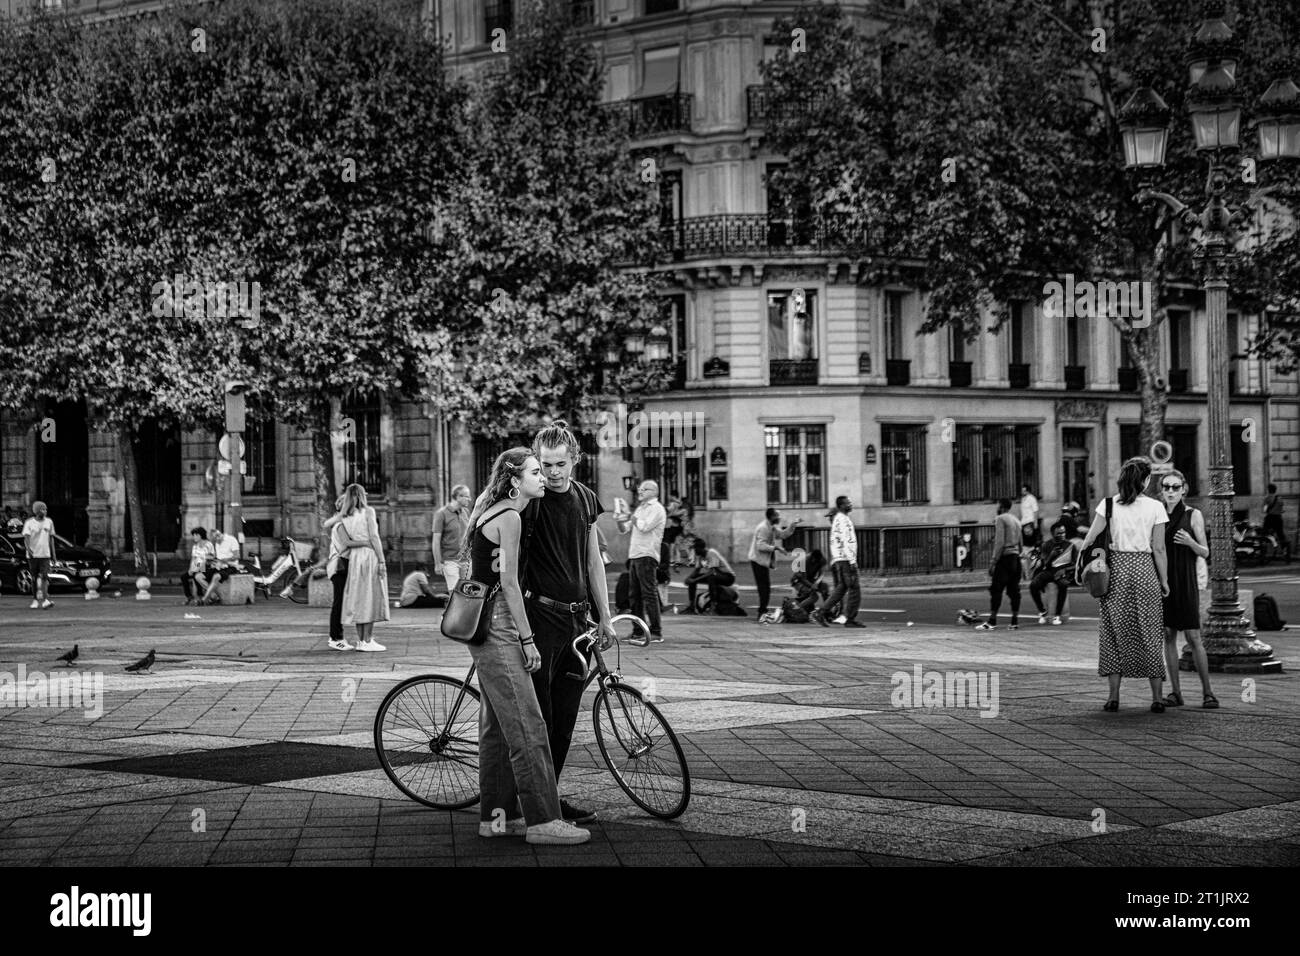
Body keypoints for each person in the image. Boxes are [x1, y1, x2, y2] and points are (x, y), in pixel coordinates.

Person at [459, 448, 589, 845]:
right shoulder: (511, 517)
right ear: (516, 480)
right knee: (529, 726)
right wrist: (529, 639)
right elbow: (511, 585)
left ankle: (498, 819)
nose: (543, 478)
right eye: (535, 471)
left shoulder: (490, 510)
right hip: (499, 626)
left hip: (483, 626)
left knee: (497, 729)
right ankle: (543, 821)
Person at [520, 420, 615, 827]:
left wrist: (605, 618)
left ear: (575, 460)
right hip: (540, 618)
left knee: (564, 724)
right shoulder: (530, 500)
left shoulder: (585, 498)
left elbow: (593, 559)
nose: (553, 473)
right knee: (541, 722)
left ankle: (549, 800)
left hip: (578, 621)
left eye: (560, 464)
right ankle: (536, 808)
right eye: (545, 465)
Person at [1080, 456, 1170, 713]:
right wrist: (1163, 580)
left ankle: (1113, 698)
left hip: (1116, 572)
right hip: (1144, 571)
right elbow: (1159, 548)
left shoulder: (1108, 505)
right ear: (1145, 480)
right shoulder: (1155, 507)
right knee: (1150, 632)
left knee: (1112, 632)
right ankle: (1156, 698)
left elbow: (1090, 539)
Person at [1159, 469, 1217, 709]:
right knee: (1168, 636)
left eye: (1175, 487)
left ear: (1184, 489)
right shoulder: (1157, 515)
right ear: (1161, 491)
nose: (1170, 491)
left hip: (1185, 580)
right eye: (1166, 487)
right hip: (1164, 581)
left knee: (1194, 637)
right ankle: (1176, 693)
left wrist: (1190, 542)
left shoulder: (1193, 515)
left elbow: (1205, 552)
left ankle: (1208, 693)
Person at [335, 483, 390, 651]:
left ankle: (361, 640)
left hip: (355, 558)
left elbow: (346, 542)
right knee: (372, 597)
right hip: (369, 556)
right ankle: (368, 640)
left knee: (360, 598)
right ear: (361, 495)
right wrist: (382, 560)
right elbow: (374, 537)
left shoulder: (344, 516)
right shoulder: (368, 512)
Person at [617, 479, 666, 646]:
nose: (640, 491)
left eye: (644, 489)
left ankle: (656, 631)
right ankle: (639, 630)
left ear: (654, 491)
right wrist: (619, 518)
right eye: (640, 489)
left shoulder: (657, 509)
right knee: (634, 595)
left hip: (647, 554)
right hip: (635, 554)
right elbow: (625, 529)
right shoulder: (640, 508)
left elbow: (645, 526)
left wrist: (631, 517)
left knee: (649, 593)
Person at [976, 498, 1022, 631]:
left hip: (1005, 558)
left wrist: (993, 561)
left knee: (996, 590)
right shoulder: (1016, 520)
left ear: (1001, 507)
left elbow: (999, 542)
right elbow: (1021, 544)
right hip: (1015, 558)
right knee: (1014, 591)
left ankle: (992, 620)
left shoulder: (1000, 519)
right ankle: (1014, 621)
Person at [818, 496, 862, 628]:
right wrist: (852, 561)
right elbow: (846, 540)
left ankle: (821, 612)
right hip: (846, 559)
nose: (851, 504)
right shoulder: (843, 520)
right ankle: (850, 619)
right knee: (855, 588)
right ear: (841, 506)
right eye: (848, 503)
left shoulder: (838, 519)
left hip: (840, 559)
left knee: (841, 588)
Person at [748, 508, 799, 618]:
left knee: (765, 587)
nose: (779, 517)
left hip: (762, 561)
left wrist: (793, 525)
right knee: (764, 587)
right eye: (777, 515)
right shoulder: (763, 528)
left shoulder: (772, 527)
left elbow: (782, 535)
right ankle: (762, 612)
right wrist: (775, 548)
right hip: (758, 561)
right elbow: (760, 546)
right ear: (771, 517)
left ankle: (762, 611)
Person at [1028, 522, 1076, 625]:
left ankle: (1057, 616)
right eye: (1059, 533)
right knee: (1033, 586)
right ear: (1053, 534)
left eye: (1063, 532)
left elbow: (1075, 564)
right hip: (1049, 572)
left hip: (1062, 572)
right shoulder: (1046, 545)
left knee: (1063, 585)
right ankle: (1042, 611)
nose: (1062, 535)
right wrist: (1051, 555)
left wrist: (1065, 570)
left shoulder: (1070, 545)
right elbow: (1045, 565)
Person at [432, 485, 472, 594]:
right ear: (458, 497)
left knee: (467, 593)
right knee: (455, 594)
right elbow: (436, 541)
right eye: (467, 497)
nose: (470, 499)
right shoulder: (441, 514)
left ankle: (462, 612)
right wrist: (437, 563)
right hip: (450, 560)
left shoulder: (466, 512)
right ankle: (454, 611)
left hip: (466, 560)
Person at [682, 537, 735, 612]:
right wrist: (689, 579)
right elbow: (697, 570)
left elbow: (712, 571)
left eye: (695, 548)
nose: (694, 550)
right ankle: (691, 606)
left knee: (711, 577)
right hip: (715, 575)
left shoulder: (711, 553)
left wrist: (694, 580)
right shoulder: (699, 556)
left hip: (728, 577)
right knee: (693, 579)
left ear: (700, 548)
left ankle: (713, 607)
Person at [22, 500, 56, 610]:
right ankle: (35, 600)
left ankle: (45, 600)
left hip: (45, 555)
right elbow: (26, 539)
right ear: (36, 511)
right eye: (42, 509)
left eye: (45, 509)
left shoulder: (49, 522)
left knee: (45, 577)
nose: (45, 511)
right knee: (34, 578)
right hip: (33, 556)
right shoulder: (29, 523)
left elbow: (51, 540)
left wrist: (54, 555)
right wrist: (29, 550)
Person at [200, 529, 247, 604]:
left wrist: (226, 560)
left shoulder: (231, 540)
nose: (215, 543)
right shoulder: (217, 542)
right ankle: (214, 596)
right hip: (219, 566)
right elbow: (218, 557)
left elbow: (237, 556)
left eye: (215, 541)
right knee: (199, 576)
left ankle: (204, 599)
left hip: (231, 566)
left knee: (216, 576)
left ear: (218, 536)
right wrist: (213, 561)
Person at [183, 527, 214, 606]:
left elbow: (211, 557)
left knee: (195, 574)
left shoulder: (208, 544)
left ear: (201, 535)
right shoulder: (195, 546)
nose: (194, 537)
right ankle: (189, 597)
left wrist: (196, 568)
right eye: (193, 535)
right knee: (184, 577)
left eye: (196, 535)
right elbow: (193, 559)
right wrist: (191, 569)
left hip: (207, 565)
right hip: (197, 565)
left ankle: (200, 596)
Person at [1263, 483, 1289, 560]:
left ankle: (1264, 551)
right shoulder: (1280, 498)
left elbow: (1264, 510)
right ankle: (1285, 550)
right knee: (1281, 534)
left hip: (1270, 518)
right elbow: (1282, 510)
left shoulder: (1267, 498)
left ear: (1269, 490)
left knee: (1264, 533)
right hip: (1278, 518)